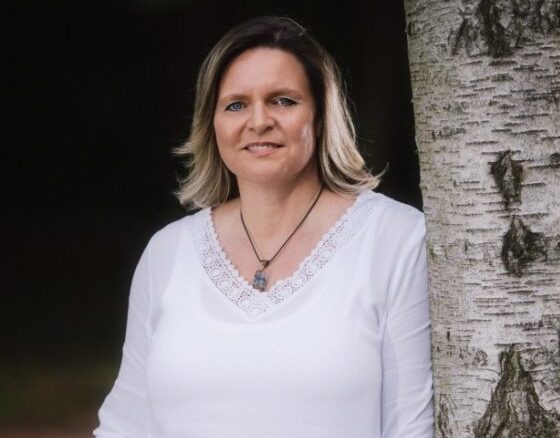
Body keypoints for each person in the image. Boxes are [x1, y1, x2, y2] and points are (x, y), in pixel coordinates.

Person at [94, 16, 433, 438]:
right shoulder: (167, 252)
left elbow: (412, 426)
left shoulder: (396, 239)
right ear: (212, 123)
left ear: (321, 115)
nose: (258, 121)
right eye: (236, 105)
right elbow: (126, 424)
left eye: (283, 101)